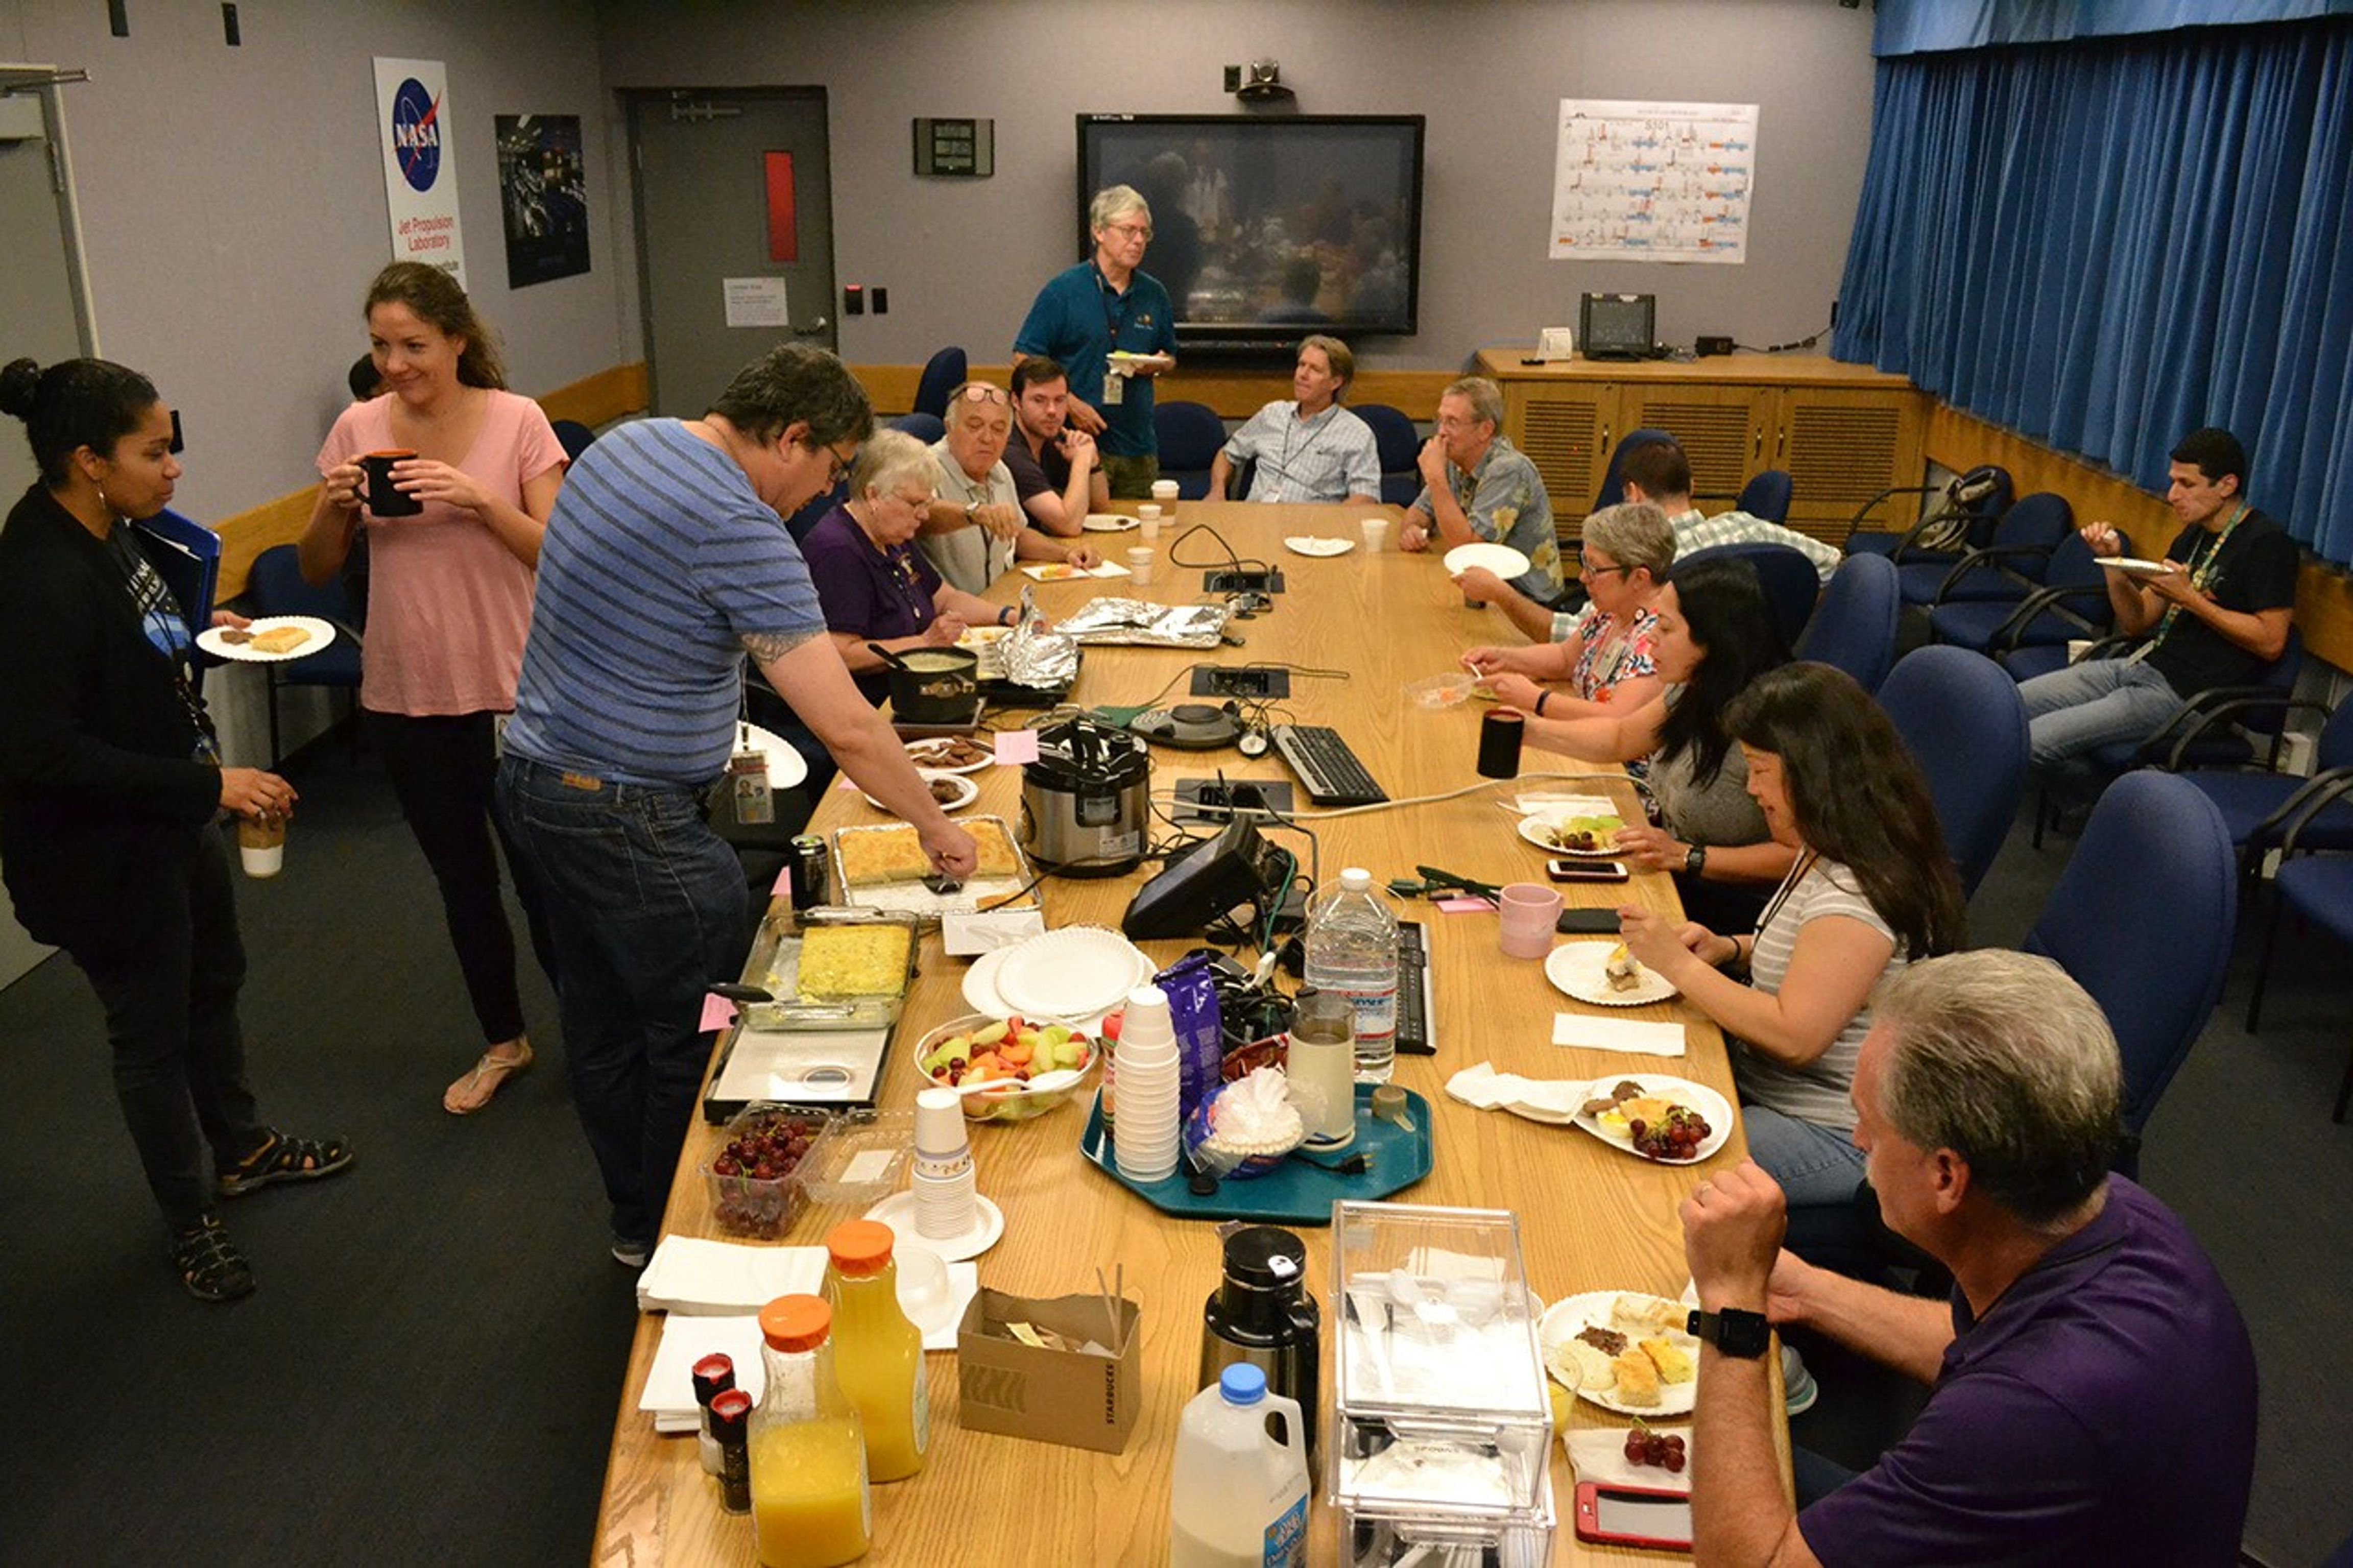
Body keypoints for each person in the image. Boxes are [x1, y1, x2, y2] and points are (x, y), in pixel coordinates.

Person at [493, 344, 978, 1268]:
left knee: (601, 1027)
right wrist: (934, 822)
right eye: (832, 467)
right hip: (630, 817)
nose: (827, 493)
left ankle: (636, 1224)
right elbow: (847, 725)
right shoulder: (741, 526)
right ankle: (693, 1243)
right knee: (704, 1032)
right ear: (791, 438)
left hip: (532, 783)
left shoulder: (621, 445)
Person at [1678, 951, 2258, 1565]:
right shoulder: (2118, 1214)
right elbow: (1982, 1343)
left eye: (1869, 1122)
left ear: (1946, 1176)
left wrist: (1733, 1306)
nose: (1857, 1139)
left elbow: (1751, 1562)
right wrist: (1804, 1290)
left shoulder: (2022, 1419)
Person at [0, 356, 352, 1303]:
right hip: (100, 855)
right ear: (89, 460)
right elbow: (43, 754)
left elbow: (128, 655)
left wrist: (200, 633)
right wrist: (213, 784)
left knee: (212, 984)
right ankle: (189, 1218)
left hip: (170, 818)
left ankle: (242, 1149)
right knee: (150, 1033)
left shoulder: (113, 531)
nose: (174, 469)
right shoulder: (35, 577)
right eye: (154, 452)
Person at [299, 261, 566, 1118]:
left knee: (547, 879)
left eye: (413, 345)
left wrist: (478, 500)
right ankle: (504, 1040)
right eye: (381, 346)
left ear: (456, 339)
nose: (395, 364)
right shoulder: (358, 426)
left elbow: (556, 551)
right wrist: (334, 506)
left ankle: (596, 1032)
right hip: (407, 693)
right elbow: (316, 567)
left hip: (513, 691)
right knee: (463, 882)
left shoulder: (518, 420)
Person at [1617, 663, 1965, 1207]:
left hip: (1836, 1130)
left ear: (1813, 773)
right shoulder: (1829, 841)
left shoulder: (1859, 889)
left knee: (1643, 1169)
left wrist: (1678, 965)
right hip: (1766, 1085)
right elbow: (1820, 956)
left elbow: (1795, 1036)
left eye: (1760, 770)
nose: (1751, 788)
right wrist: (1730, 947)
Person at [1484, 557, 1797, 931]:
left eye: (1665, 628)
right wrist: (1529, 731)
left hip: (1734, 914)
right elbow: (1621, 737)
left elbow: (1797, 856)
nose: (1649, 639)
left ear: (1713, 639)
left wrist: (1688, 856)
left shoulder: (1772, 725)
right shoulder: (1696, 686)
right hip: (1677, 879)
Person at [2018, 426, 2296, 775]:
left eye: (2187, 484)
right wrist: (2114, 564)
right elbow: (2137, 621)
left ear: (2227, 485)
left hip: (2187, 698)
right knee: (2009, 706)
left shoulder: (2268, 544)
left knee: (2031, 741)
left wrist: (2191, 599)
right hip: (2139, 666)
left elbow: (2271, 641)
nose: (2173, 495)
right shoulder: (2194, 535)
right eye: (2173, 482)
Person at [803, 429, 1027, 704]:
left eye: (927, 504)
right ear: (873, 495)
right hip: (878, 702)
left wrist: (1008, 616)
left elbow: (944, 598)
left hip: (918, 686)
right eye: (916, 504)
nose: (924, 515)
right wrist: (924, 643)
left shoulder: (890, 535)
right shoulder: (838, 551)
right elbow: (842, 654)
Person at [1012, 184, 1177, 498]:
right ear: (1099, 232)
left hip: (1138, 447)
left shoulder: (1154, 294)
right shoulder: (1064, 291)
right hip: (1076, 445)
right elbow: (1023, 359)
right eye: (1128, 231)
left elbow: (1169, 356)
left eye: (1144, 233)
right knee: (1079, 527)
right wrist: (1071, 405)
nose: (1138, 241)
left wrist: (1156, 364)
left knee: (1140, 529)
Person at [1464, 501, 1671, 723]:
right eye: (1584, 563)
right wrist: (1504, 658)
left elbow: (1617, 719)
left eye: (1595, 569)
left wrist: (1537, 700)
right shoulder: (1612, 612)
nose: (1583, 577)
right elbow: (1565, 658)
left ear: (1639, 578)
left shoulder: (1658, 637)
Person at [919, 381, 1099, 595]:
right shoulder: (923, 468)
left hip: (997, 600)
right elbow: (921, 514)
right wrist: (975, 513)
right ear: (949, 427)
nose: (987, 438)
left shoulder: (999, 469)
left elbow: (1016, 535)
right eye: (975, 426)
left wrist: (1066, 553)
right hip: (949, 611)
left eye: (998, 429)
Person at [1400, 375, 1564, 604]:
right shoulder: (1453, 460)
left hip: (1527, 599)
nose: (1441, 432)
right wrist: (1412, 530)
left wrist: (1436, 479)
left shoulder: (1509, 470)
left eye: (1452, 422)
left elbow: (1471, 551)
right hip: (1480, 589)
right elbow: (1418, 513)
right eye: (1440, 420)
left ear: (1485, 430)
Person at [1620, 438, 1841, 583]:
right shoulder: (1747, 526)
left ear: (1633, 494)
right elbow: (1831, 562)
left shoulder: (1644, 564)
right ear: (1692, 487)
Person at [1208, 334, 1380, 505]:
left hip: (1311, 521)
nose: (1303, 375)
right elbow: (1227, 454)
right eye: (1302, 365)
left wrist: (1332, 520)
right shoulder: (1273, 414)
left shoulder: (1356, 433)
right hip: (1255, 515)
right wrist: (1217, 491)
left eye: (1315, 369)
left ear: (1335, 382)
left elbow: (1365, 496)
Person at [1003, 355, 1105, 536]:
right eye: (1039, 400)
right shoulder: (1010, 451)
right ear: (1016, 401)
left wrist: (1093, 462)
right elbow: (1069, 525)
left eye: (1059, 400)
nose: (1052, 411)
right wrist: (1082, 460)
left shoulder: (1053, 439)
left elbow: (1101, 506)